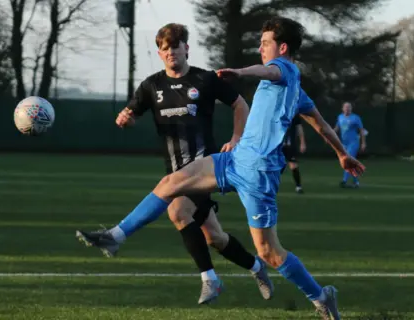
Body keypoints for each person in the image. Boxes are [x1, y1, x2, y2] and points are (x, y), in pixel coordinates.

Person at [76, 17, 365, 319]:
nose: (260, 47)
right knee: (171, 183)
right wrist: (342, 154)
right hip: (234, 161)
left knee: (269, 252)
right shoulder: (294, 91)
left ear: (282, 47)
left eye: (265, 42)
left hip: (259, 174)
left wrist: (239, 72)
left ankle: (321, 297)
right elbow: (319, 122)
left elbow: (269, 69)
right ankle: (116, 236)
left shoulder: (285, 70)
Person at [76, 23, 273, 305]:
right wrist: (126, 120)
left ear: (186, 48)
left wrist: (237, 137)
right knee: (215, 238)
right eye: (165, 48)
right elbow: (132, 113)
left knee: (178, 212)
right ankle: (256, 267)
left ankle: (208, 279)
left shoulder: (204, 80)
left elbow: (241, 104)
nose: (170, 52)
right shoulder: (151, 86)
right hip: (176, 173)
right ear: (159, 53)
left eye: (175, 46)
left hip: (206, 170)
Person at [334, 102, 366, 188]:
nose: (347, 108)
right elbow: (337, 128)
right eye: (346, 107)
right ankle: (356, 182)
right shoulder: (340, 117)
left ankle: (344, 181)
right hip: (344, 144)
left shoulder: (356, 118)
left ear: (351, 109)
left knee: (347, 160)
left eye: (349, 107)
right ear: (342, 108)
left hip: (354, 142)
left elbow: (361, 130)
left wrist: (363, 143)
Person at [282, 114, 307, 193]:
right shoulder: (276, 111)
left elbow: (299, 128)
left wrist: (302, 142)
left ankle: (298, 186)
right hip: (278, 145)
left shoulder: (294, 114)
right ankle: (268, 186)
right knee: (275, 166)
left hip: (290, 145)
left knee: (293, 165)